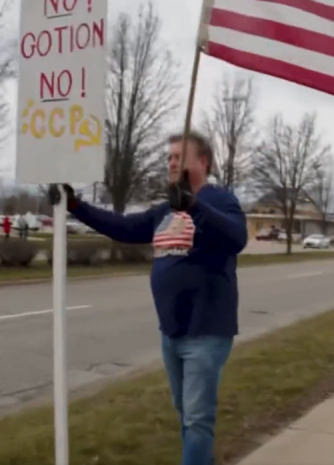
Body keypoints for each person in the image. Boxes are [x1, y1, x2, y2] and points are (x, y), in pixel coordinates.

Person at [48, 130, 247, 465]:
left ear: (203, 162)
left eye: (178, 157)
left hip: (206, 330)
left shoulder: (220, 199)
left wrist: (195, 206)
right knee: (187, 414)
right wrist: (76, 206)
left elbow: (236, 237)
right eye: (168, 157)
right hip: (172, 332)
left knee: (198, 419)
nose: (170, 163)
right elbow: (125, 227)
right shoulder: (165, 210)